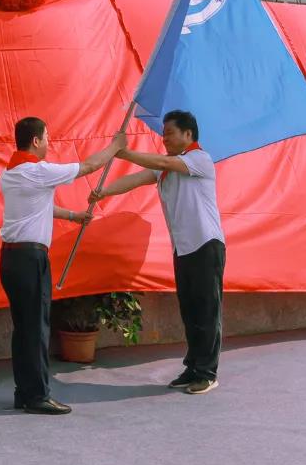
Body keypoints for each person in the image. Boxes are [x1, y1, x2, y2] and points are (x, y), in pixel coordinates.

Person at [90, 110, 225, 395]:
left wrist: (122, 152)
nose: (164, 139)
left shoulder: (199, 160)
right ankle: (193, 367)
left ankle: (207, 372)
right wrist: (103, 192)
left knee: (206, 312)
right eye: (162, 134)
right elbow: (136, 179)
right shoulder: (166, 169)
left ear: (188, 135)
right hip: (184, 248)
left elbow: (162, 160)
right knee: (189, 311)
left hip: (205, 245)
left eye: (169, 133)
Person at [0, 117, 126, 414]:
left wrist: (73, 216)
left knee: (24, 329)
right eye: (46, 137)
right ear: (35, 141)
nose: (49, 142)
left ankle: (25, 391)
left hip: (11, 259)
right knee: (37, 329)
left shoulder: (11, 172)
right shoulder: (36, 170)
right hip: (30, 260)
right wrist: (115, 147)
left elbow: (40, 207)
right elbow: (88, 167)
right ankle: (38, 395)